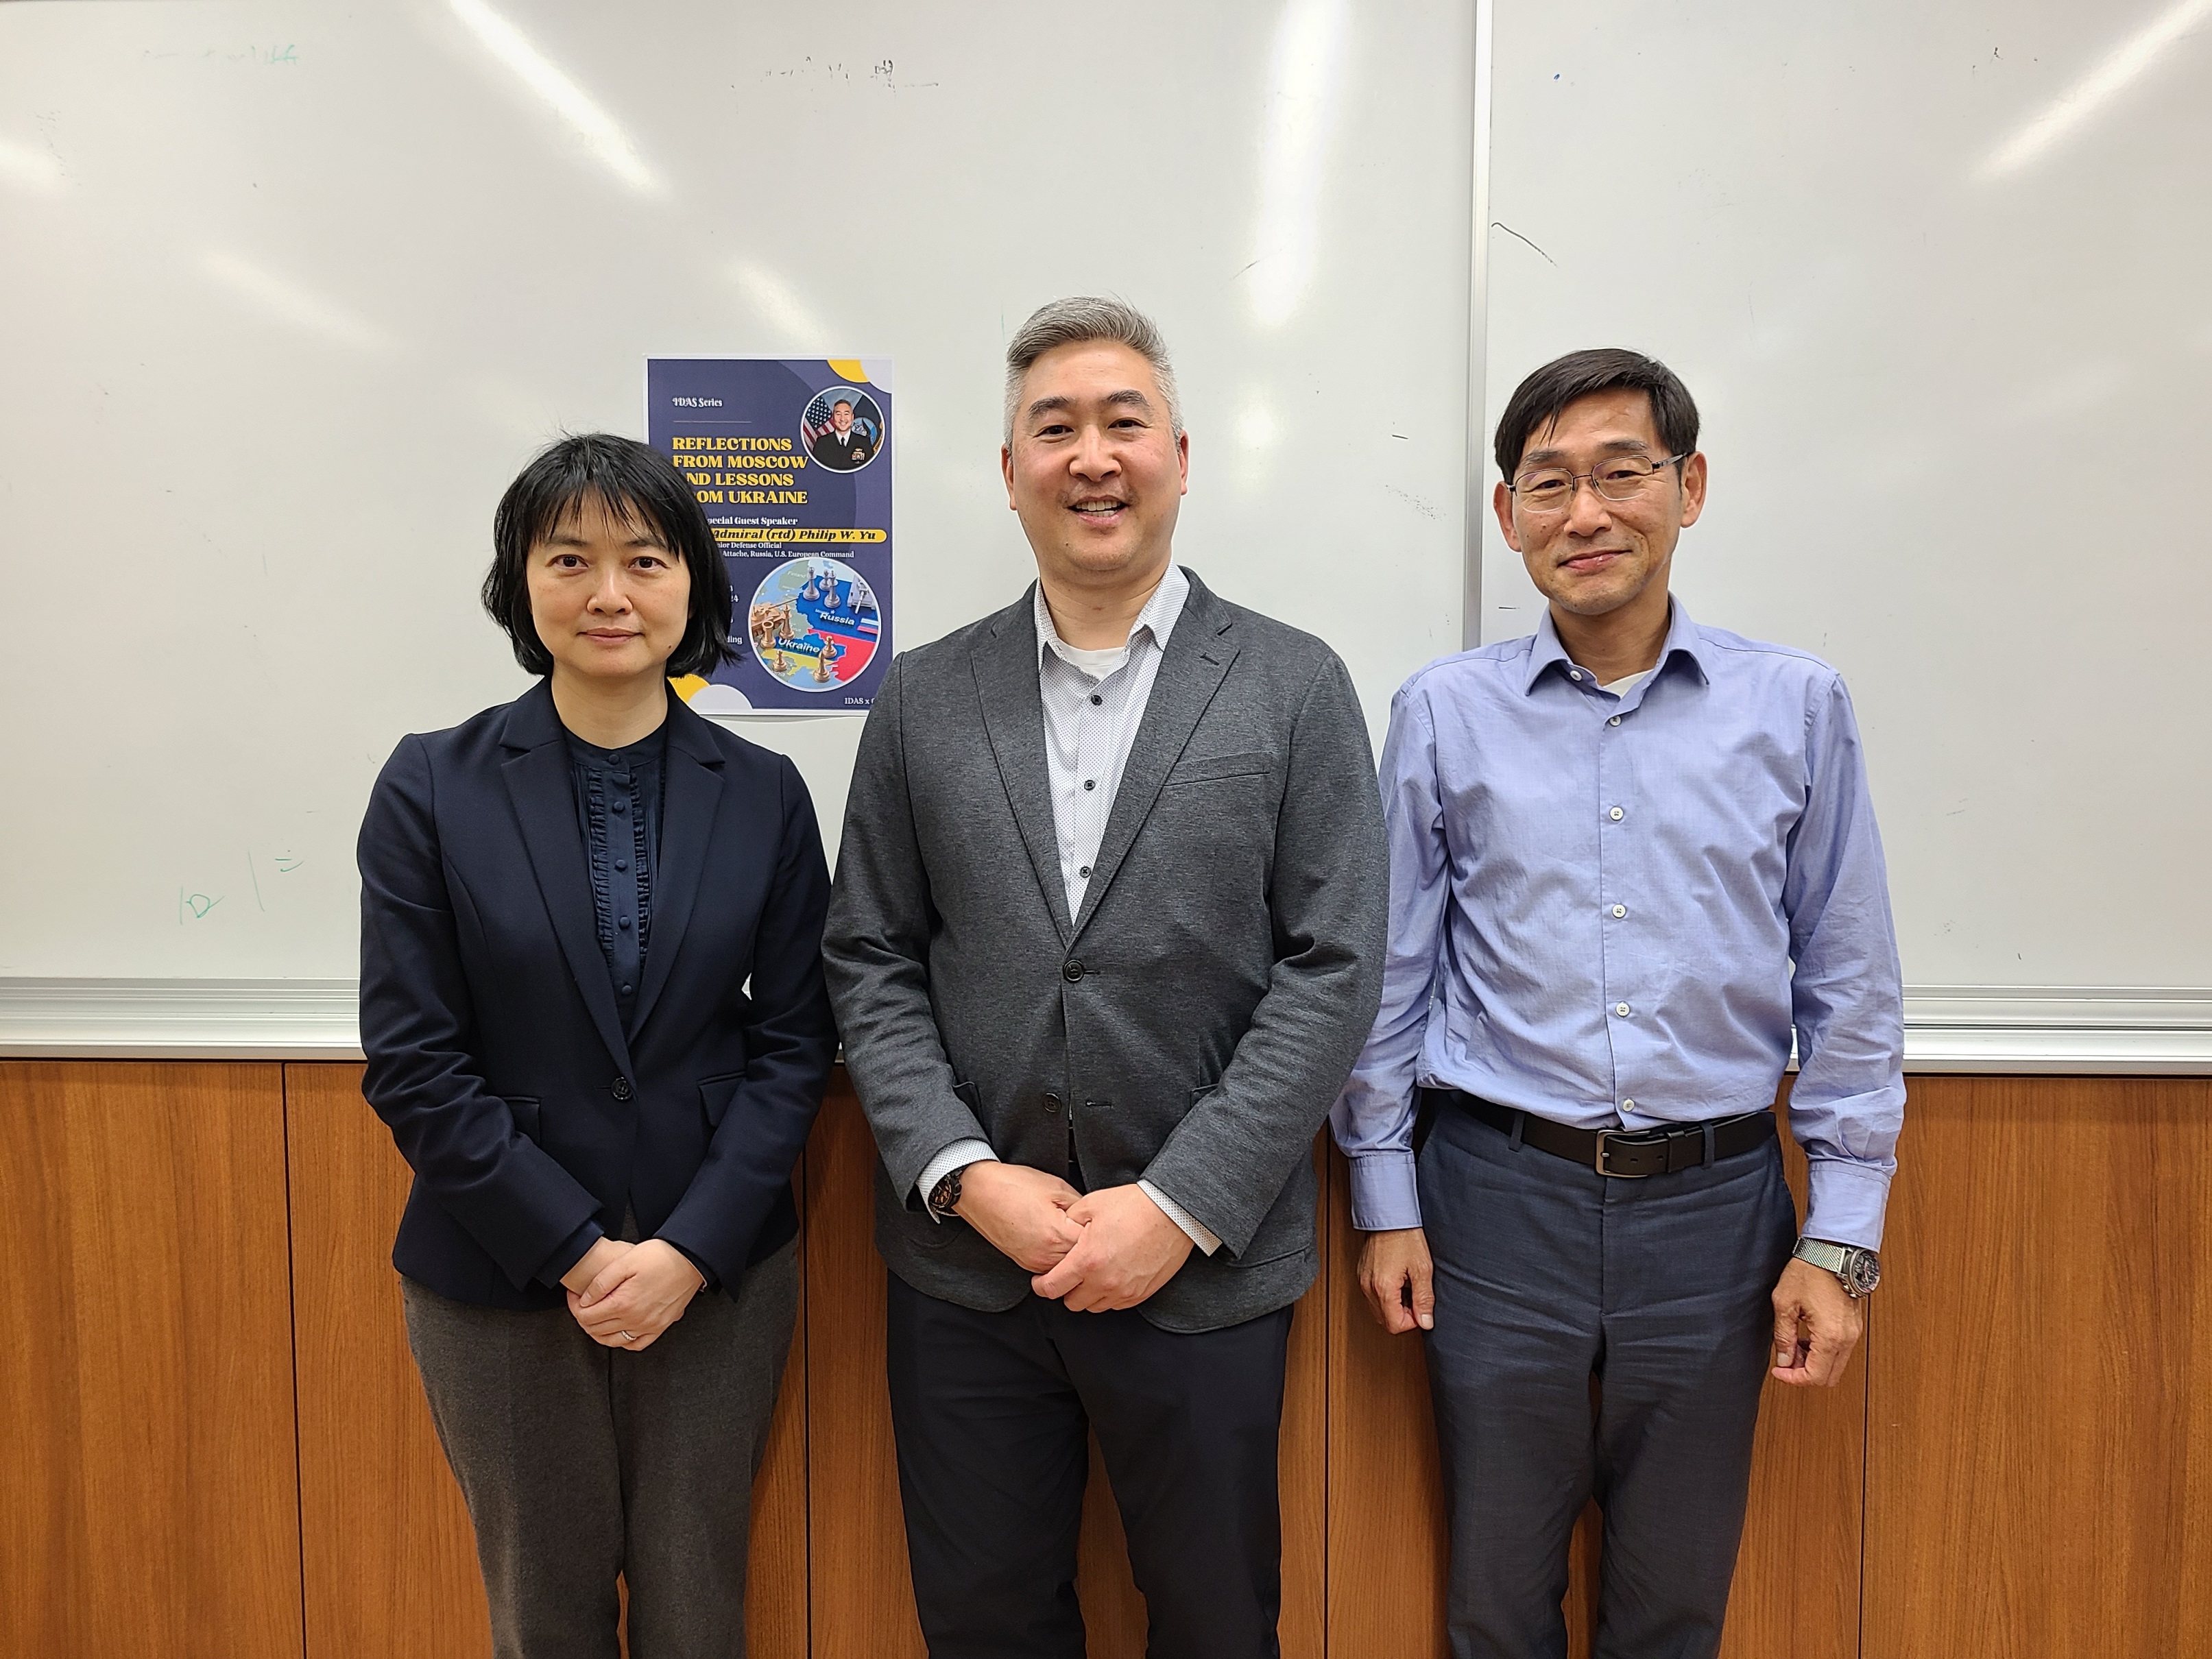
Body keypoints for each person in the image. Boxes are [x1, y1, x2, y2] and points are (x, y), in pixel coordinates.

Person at [823, 296, 1388, 1658]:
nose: (1092, 454)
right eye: (1053, 427)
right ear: (1005, 471)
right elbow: (870, 955)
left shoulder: (1292, 685)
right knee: (986, 1624)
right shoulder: (920, 696)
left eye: (1122, 422)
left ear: (1180, 457)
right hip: (968, 1271)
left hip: (1199, 1272)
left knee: (1211, 1624)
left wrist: (1178, 1205)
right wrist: (963, 1174)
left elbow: (1332, 967)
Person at [1333, 348, 1903, 1659]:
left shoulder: (1795, 707)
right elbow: (1389, 981)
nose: (1583, 514)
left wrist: (1841, 1238)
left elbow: (1850, 984)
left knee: (1673, 1604)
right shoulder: (1441, 715)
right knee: (1492, 1597)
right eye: (1548, 484)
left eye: (1619, 474)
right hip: (1493, 1202)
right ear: (1506, 516)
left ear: (1687, 488)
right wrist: (1386, 1198)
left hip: (1716, 1212)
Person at [358, 432, 837, 1659]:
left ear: (696, 587)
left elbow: (796, 1048)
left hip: (716, 1282)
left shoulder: (767, 791)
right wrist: (573, 1250)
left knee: (699, 1611)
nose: (609, 593)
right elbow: (415, 1061)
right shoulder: (429, 787)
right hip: (499, 1283)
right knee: (543, 1619)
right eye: (568, 558)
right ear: (522, 584)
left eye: (645, 558)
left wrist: (685, 1250)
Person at [809, 398, 874, 470]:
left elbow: (870, 472)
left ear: (852, 417)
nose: (842, 419)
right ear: (833, 417)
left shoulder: (864, 443)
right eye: (838, 414)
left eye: (846, 414)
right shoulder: (822, 443)